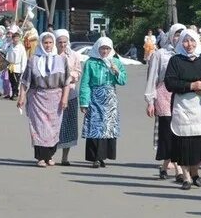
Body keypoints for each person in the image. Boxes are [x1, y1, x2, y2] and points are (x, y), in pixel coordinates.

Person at [164, 29, 201, 190]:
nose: (189, 45)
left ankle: (195, 171)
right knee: (185, 142)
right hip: (183, 106)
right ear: (181, 43)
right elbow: (169, 83)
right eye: (186, 41)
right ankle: (187, 176)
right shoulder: (176, 60)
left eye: (192, 41)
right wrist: (190, 86)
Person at [17, 32, 70, 167]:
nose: (48, 45)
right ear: (41, 43)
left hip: (55, 98)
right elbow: (25, 81)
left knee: (53, 128)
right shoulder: (33, 60)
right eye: (45, 43)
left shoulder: (61, 60)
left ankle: (50, 156)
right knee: (39, 128)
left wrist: (64, 98)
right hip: (37, 97)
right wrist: (22, 97)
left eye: (50, 43)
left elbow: (66, 82)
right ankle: (41, 157)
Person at [144, 23, 186, 180]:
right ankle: (179, 169)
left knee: (180, 131)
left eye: (181, 35)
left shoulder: (186, 54)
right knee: (168, 131)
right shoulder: (160, 54)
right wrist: (150, 100)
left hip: (181, 95)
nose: (178, 38)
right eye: (176, 34)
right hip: (163, 93)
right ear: (170, 35)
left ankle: (164, 167)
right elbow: (152, 77)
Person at [80, 37, 127, 168]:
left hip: (110, 98)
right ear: (97, 48)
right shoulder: (90, 63)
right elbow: (85, 82)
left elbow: (123, 81)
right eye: (102, 48)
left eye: (107, 49)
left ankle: (102, 157)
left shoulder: (116, 61)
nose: (105, 51)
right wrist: (84, 102)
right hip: (95, 97)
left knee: (107, 127)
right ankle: (95, 157)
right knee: (95, 126)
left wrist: (116, 71)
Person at [54, 29, 81, 166]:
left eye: (65, 42)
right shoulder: (51, 55)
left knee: (68, 125)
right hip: (53, 93)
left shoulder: (74, 55)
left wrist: (71, 76)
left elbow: (78, 71)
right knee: (53, 125)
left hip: (70, 93)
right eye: (60, 42)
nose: (63, 45)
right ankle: (50, 154)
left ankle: (65, 157)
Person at [5, 31, 27, 101]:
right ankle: (13, 93)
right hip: (11, 66)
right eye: (14, 38)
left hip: (18, 66)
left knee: (16, 81)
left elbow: (24, 58)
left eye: (17, 38)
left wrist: (23, 67)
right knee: (11, 80)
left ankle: (16, 93)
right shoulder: (10, 46)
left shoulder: (21, 47)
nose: (16, 40)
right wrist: (6, 64)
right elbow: (8, 55)